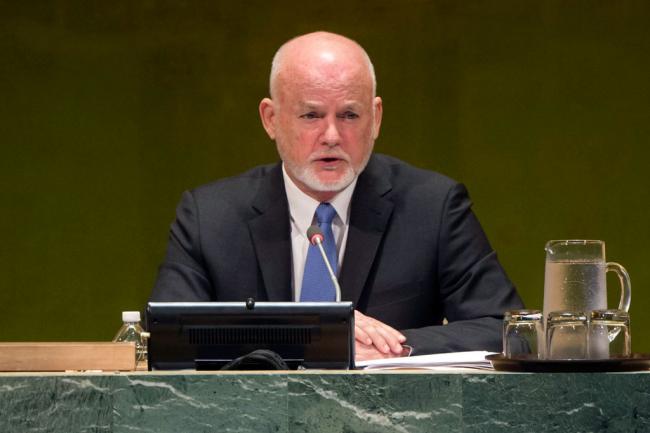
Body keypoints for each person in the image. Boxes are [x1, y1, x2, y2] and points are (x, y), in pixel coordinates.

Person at [149, 31, 524, 361]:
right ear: (271, 119)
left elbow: (506, 329)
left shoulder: (433, 207)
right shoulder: (210, 217)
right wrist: (313, 335)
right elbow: (166, 336)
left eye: (349, 115)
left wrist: (394, 345)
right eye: (311, 116)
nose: (331, 136)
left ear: (375, 118)